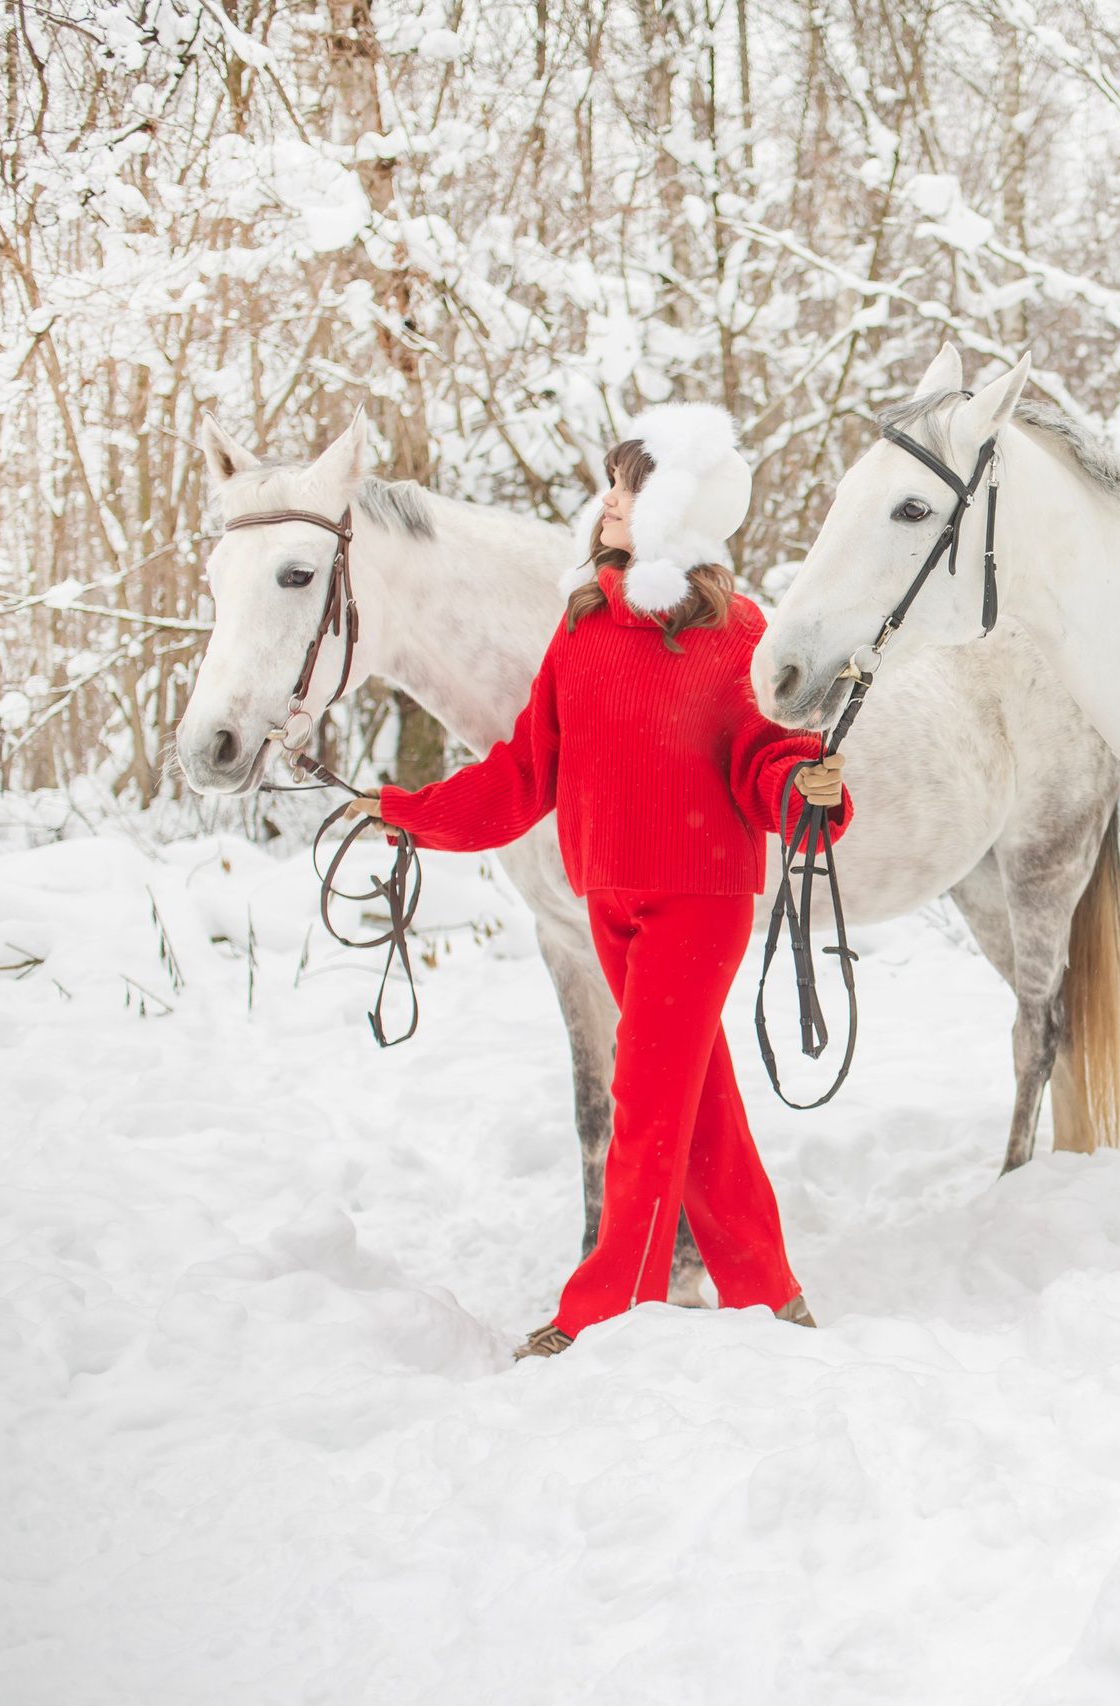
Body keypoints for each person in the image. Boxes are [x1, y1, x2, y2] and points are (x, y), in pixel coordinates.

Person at [348, 404, 847, 1359]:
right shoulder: (580, 632)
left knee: (647, 1108)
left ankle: (599, 1314)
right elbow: (521, 776)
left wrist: (802, 791)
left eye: (631, 487)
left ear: (676, 514)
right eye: (615, 484)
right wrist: (407, 812)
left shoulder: (739, 634)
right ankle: (770, 1294)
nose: (608, 501)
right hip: (609, 901)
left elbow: (763, 759)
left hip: (697, 903)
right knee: (696, 1107)